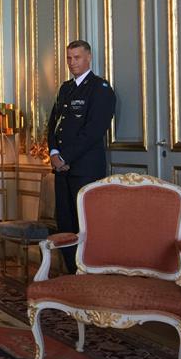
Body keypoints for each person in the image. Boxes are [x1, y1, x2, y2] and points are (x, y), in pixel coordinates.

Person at [46, 39, 116, 274]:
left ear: (88, 58)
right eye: (69, 58)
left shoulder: (100, 89)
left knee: (84, 223)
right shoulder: (65, 88)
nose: (72, 62)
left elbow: (93, 131)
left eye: (76, 57)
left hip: (85, 169)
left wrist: (65, 157)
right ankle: (71, 274)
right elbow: (53, 125)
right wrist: (54, 152)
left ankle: (88, 273)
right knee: (65, 223)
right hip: (61, 169)